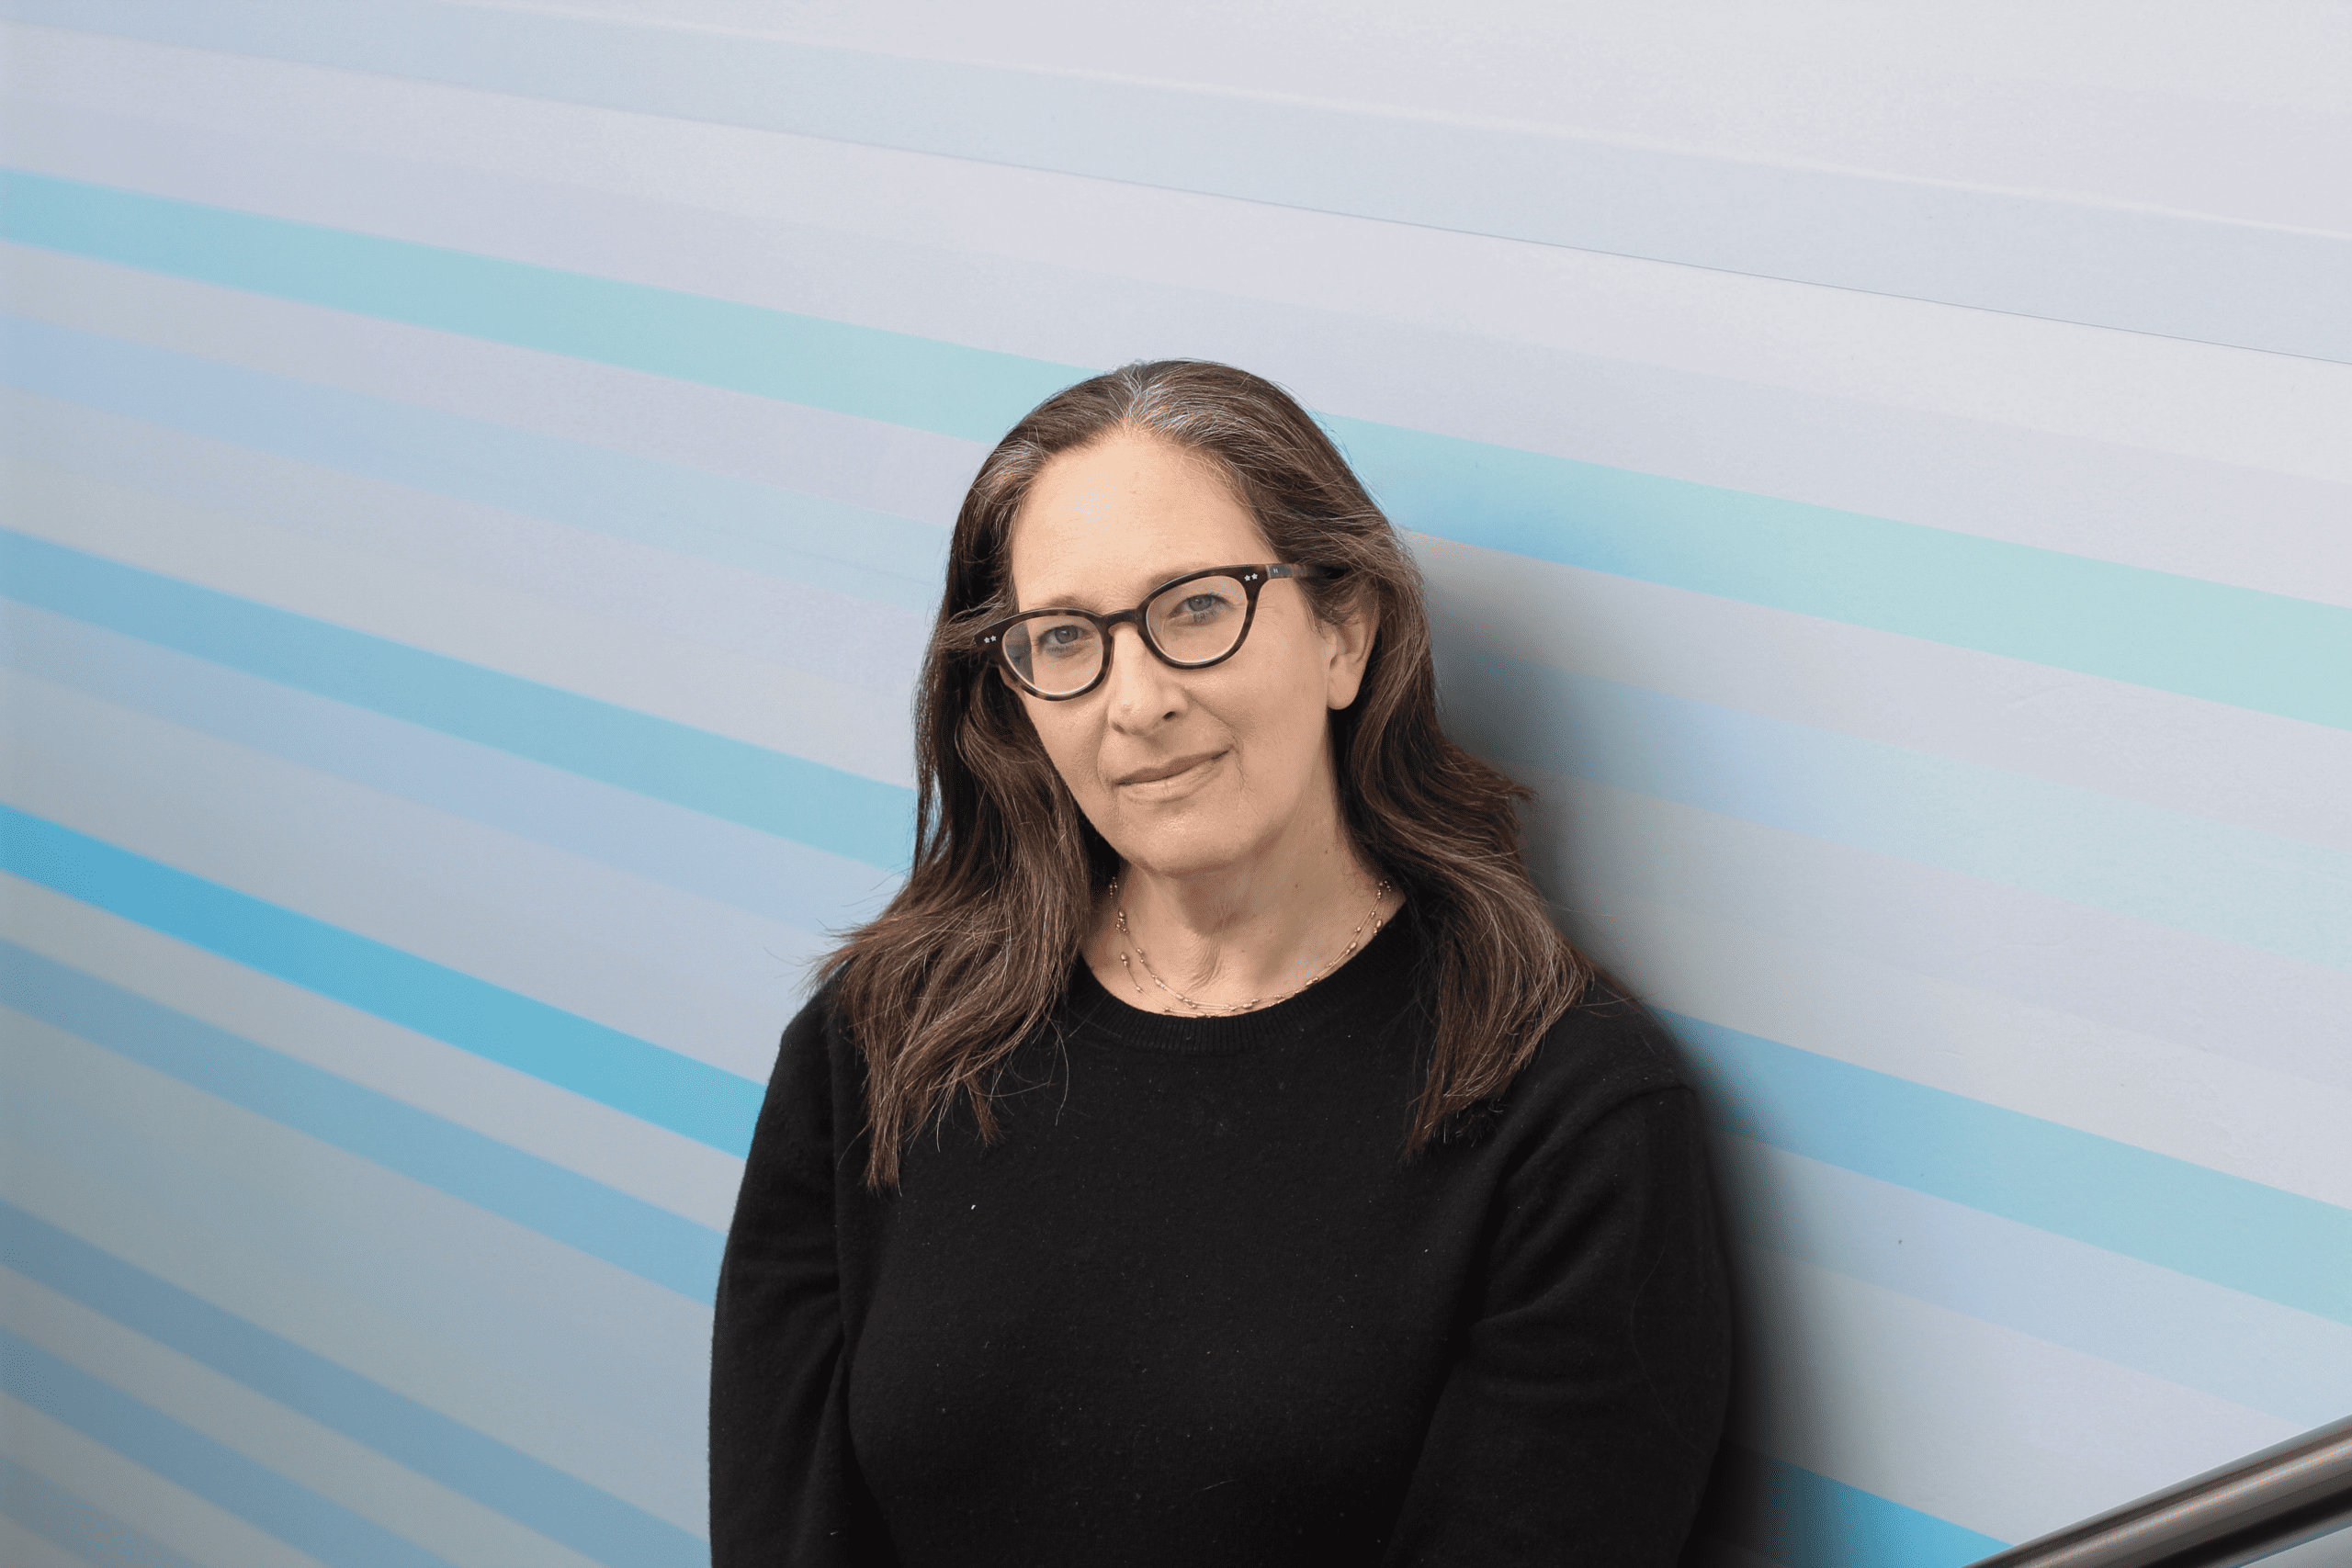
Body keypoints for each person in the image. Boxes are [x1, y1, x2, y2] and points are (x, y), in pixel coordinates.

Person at [709, 361, 1732, 1566]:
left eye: (1196, 607)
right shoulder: (879, 1041)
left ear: (1345, 632)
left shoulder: (1568, 1116)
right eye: (1065, 638)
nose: (1134, 702)